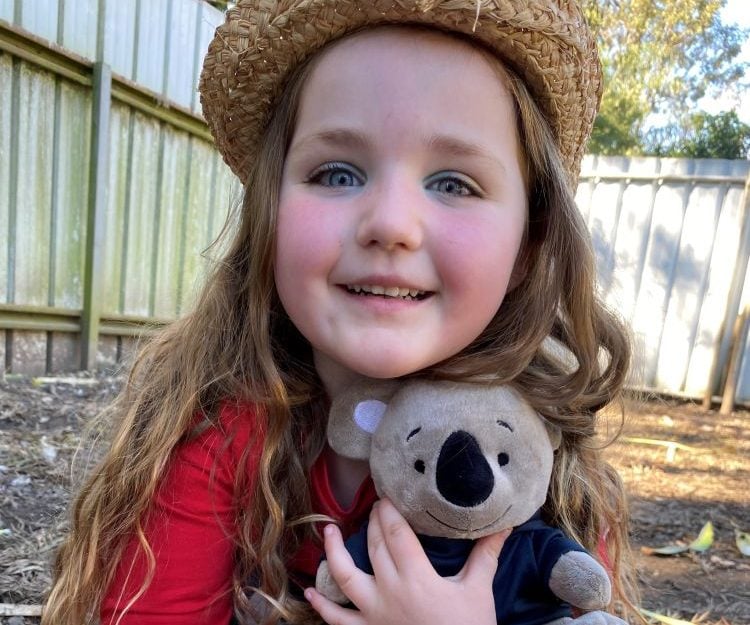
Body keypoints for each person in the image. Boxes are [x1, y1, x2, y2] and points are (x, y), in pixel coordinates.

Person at [42, 1, 639, 624]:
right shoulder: (218, 436)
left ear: (529, 243)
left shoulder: (543, 467)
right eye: (336, 172)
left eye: (455, 183)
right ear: (268, 214)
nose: (389, 225)